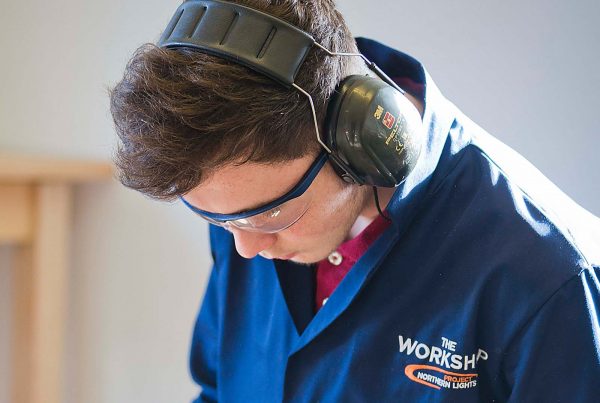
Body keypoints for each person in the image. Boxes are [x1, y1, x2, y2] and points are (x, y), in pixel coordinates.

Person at [109, 0, 600, 401]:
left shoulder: (550, 277)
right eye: (216, 218)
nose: (245, 249)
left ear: (357, 144)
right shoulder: (245, 209)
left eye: (271, 215)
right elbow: (220, 390)